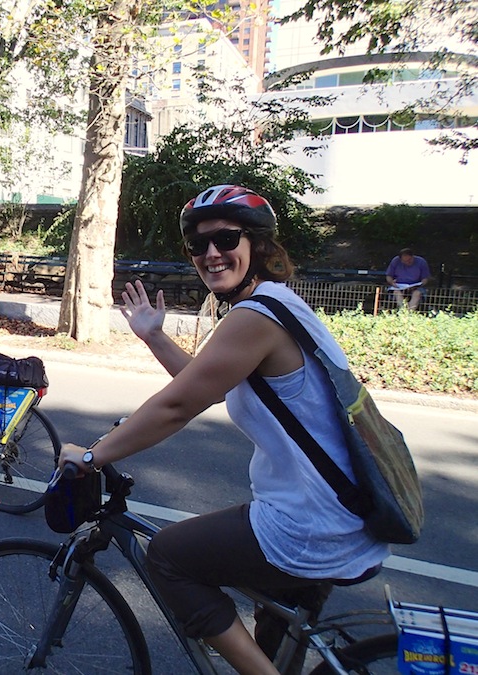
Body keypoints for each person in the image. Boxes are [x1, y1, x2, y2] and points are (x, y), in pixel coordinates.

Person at [58, 185, 389, 675]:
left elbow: (176, 407)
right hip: (341, 515)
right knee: (274, 643)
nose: (212, 253)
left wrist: (91, 457)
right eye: (198, 244)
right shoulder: (275, 305)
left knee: (169, 557)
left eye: (227, 238)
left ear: (257, 244)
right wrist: (153, 335)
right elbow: (208, 386)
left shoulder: (255, 318)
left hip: (311, 524)